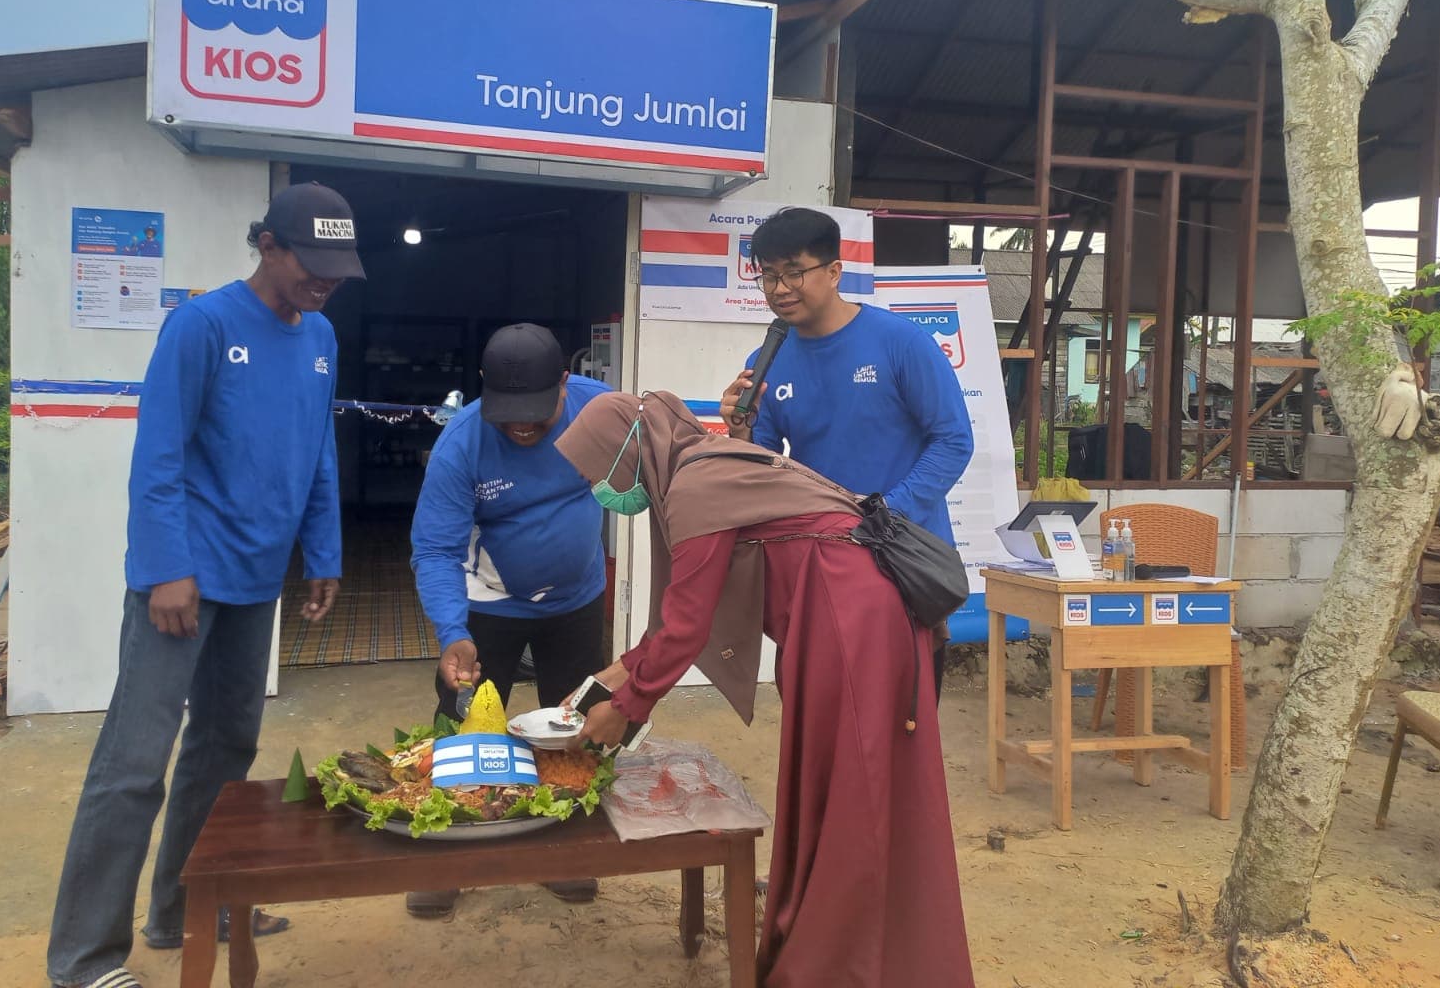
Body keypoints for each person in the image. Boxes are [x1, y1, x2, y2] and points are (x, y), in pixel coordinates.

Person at [48, 182, 364, 988]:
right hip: (184, 580)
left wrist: (321, 552)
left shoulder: (322, 336)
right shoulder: (202, 326)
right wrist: (164, 569)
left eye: (337, 269)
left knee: (226, 750)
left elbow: (317, 453)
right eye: (311, 264)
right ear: (267, 245)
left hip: (258, 580)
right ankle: (85, 959)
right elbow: (157, 455)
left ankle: (187, 908)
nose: (324, 281)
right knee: (134, 762)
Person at [558, 391, 975, 988]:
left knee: (854, 792)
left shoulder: (697, 484)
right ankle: (841, 942)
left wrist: (625, 708)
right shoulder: (706, 463)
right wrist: (607, 681)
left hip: (851, 622)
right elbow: (673, 619)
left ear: (627, 450)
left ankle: (838, 965)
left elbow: (685, 625)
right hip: (842, 617)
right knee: (835, 786)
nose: (601, 489)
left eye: (597, 471)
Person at [720, 206, 973, 691]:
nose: (779, 289)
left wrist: (884, 516)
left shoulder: (901, 343)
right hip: (820, 564)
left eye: (795, 272)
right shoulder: (765, 360)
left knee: (903, 725)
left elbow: (953, 439)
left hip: (905, 561)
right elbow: (769, 468)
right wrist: (741, 434)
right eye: (768, 275)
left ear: (834, 271)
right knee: (824, 720)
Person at [406, 323, 611, 918]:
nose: (520, 425)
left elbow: (662, 453)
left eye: (536, 412)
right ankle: (447, 856)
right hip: (489, 603)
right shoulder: (462, 444)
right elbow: (436, 550)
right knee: (464, 723)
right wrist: (453, 632)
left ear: (566, 384)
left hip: (577, 598)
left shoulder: (601, 410)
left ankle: (564, 852)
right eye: (507, 412)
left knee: (574, 727)